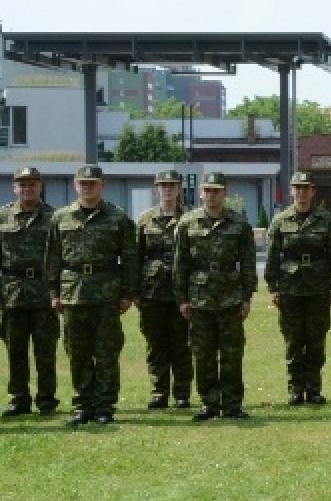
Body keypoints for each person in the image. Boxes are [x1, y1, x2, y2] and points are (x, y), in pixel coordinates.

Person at [45, 164, 137, 426]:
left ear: (102, 185)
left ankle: (105, 406)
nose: (87, 187)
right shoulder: (61, 217)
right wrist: (53, 292)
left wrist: (128, 293)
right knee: (78, 353)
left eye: (92, 183)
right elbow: (52, 257)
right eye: (83, 183)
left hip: (107, 293)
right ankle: (83, 405)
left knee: (107, 352)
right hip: (73, 293)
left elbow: (130, 258)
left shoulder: (118, 218)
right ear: (76, 185)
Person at [173, 172, 257, 421]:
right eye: (207, 190)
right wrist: (182, 299)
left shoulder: (239, 223)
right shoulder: (188, 223)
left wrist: (247, 298)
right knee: (203, 354)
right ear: (200, 193)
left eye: (216, 191)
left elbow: (248, 264)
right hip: (199, 299)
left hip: (230, 297)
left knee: (232, 354)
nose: (211, 195)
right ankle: (208, 403)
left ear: (224, 193)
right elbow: (180, 264)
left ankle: (232, 404)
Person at [264, 171, 331, 405]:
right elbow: (272, 257)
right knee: (293, 340)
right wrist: (273, 288)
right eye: (298, 188)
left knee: (316, 340)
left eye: (306, 188)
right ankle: (295, 388)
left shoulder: (326, 221)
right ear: (291, 191)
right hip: (290, 290)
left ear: (313, 191)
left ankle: (314, 389)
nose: (302, 193)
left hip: (318, 289)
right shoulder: (280, 221)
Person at [0, 166, 60, 417]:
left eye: (32, 184)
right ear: (14, 188)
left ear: (40, 187)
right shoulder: (3, 216)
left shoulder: (55, 217)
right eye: (22, 184)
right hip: (11, 293)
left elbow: (60, 256)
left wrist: (58, 292)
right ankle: (19, 398)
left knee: (45, 350)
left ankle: (46, 399)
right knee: (15, 350)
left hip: (44, 292)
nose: (27, 189)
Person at [136, 168, 192, 409]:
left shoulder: (190, 217)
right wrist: (134, 291)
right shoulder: (145, 219)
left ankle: (182, 393)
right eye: (163, 185)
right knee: (156, 344)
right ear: (156, 188)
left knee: (182, 344)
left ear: (179, 188)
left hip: (182, 292)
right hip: (152, 291)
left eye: (172, 185)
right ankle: (159, 392)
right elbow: (136, 256)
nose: (167, 189)